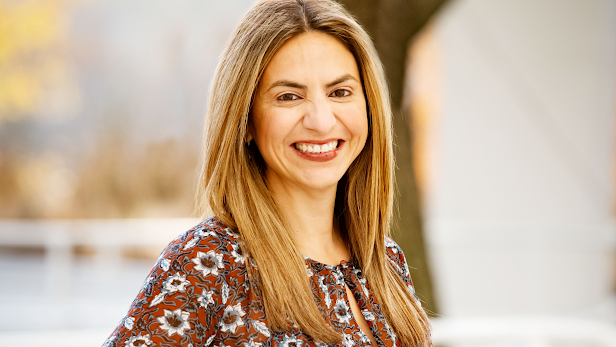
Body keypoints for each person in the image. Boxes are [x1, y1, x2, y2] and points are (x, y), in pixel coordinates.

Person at [104, 0, 431, 346]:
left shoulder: (386, 260)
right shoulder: (207, 261)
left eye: (340, 92)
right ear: (245, 121)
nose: (320, 121)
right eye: (289, 96)